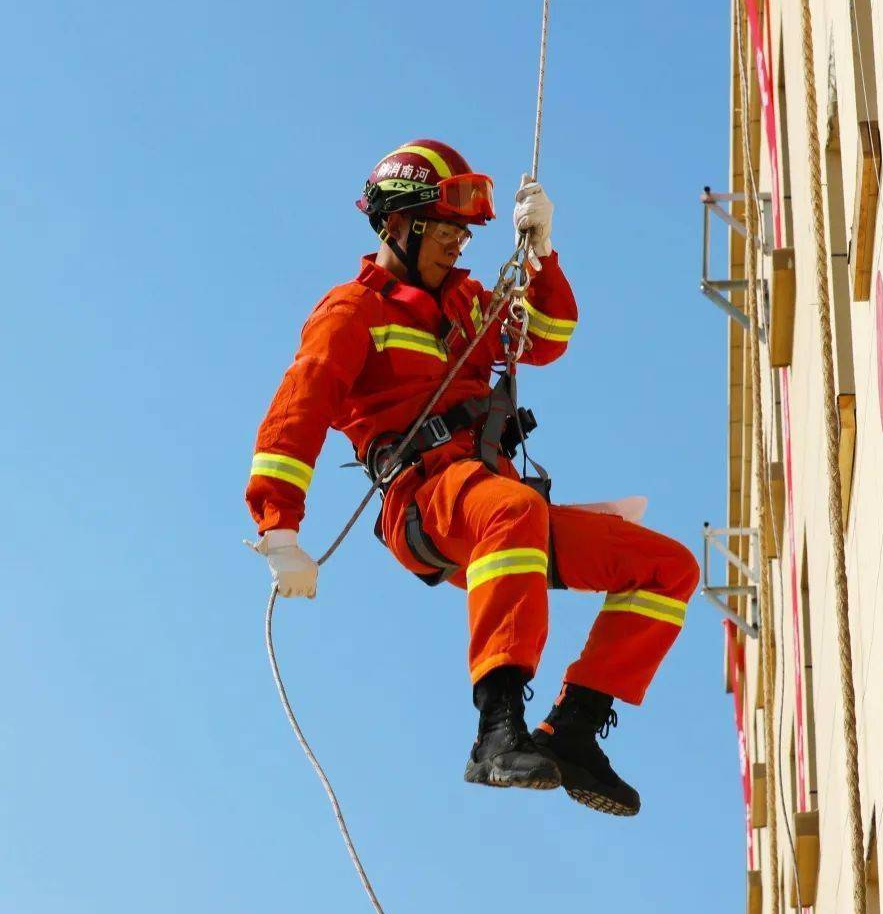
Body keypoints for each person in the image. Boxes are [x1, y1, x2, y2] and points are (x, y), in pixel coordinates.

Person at [246, 140, 699, 816]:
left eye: (465, 230)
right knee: (512, 510)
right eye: (448, 227)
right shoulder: (352, 313)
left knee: (667, 567)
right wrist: (279, 529)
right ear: (399, 226)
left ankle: (572, 728)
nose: (460, 242)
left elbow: (544, 336)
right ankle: (496, 729)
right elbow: (297, 411)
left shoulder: (468, 307)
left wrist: (541, 256)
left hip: (492, 503)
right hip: (426, 504)